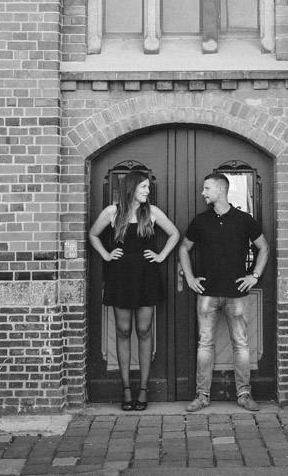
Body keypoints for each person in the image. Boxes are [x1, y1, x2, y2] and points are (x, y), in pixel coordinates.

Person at [178, 172, 270, 412]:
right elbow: (183, 249)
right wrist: (189, 277)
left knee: (240, 344)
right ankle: (202, 396)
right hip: (207, 294)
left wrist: (255, 276)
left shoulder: (244, 219)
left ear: (220, 189)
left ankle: (244, 394)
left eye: (206, 188)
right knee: (205, 344)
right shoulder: (200, 221)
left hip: (237, 294)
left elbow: (264, 248)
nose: (203, 193)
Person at [89, 171, 179, 411]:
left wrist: (160, 256)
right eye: (143, 187)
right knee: (123, 330)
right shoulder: (112, 212)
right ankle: (126, 389)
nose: (147, 191)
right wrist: (106, 255)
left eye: (148, 187)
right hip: (120, 276)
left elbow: (174, 234)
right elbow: (93, 234)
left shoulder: (151, 212)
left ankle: (143, 389)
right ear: (131, 188)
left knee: (144, 331)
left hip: (146, 276)